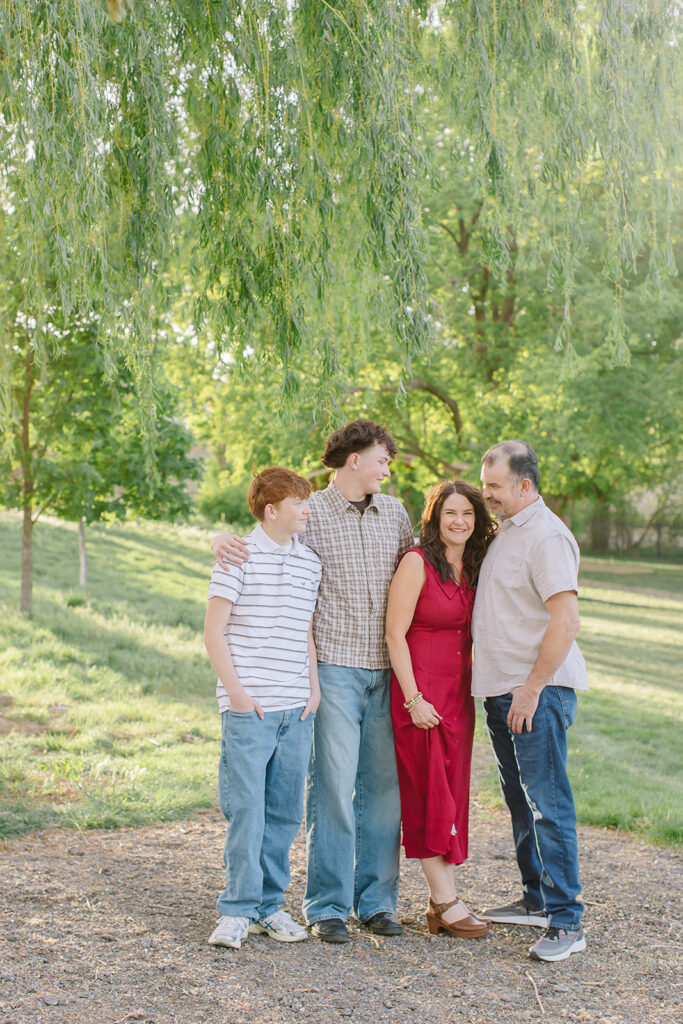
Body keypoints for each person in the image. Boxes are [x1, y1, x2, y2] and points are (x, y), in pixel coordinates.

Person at [212, 421, 414, 944]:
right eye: (382, 460)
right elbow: (263, 534)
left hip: (387, 668)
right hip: (333, 667)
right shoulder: (310, 511)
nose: (387, 469)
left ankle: (377, 902)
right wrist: (217, 539)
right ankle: (327, 905)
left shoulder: (395, 513)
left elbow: (418, 571)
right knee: (332, 788)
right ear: (354, 460)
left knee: (383, 790)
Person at [473, 441, 588, 962]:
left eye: (494, 486)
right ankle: (536, 900)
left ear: (524, 485)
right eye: (485, 485)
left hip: (535, 692)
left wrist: (532, 688)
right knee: (521, 801)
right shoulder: (507, 531)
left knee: (548, 803)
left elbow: (566, 620)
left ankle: (566, 922)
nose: (487, 495)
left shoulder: (547, 536)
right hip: (502, 690)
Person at [203, 467, 322, 950]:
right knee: (247, 812)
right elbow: (213, 631)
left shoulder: (309, 562)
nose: (306, 509)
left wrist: (313, 690)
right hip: (249, 707)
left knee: (284, 814)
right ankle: (236, 910)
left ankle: (269, 908)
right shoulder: (236, 556)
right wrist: (236, 694)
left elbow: (305, 631)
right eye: (298, 503)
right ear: (271, 510)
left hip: (297, 709)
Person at [386, 480, 494, 939]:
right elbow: (394, 634)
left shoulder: (474, 565)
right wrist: (413, 700)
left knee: (450, 794)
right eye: (450, 512)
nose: (459, 521)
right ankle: (446, 901)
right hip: (420, 698)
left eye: (468, 513)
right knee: (428, 795)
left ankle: (439, 902)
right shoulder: (416, 562)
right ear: (434, 517)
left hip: (457, 700)